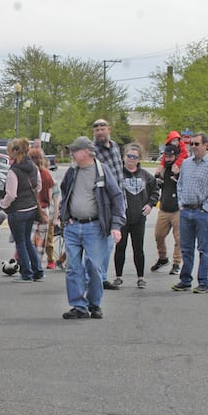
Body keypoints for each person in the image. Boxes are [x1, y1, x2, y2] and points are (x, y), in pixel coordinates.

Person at [59, 136, 125, 319]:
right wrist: (64, 216)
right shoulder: (72, 172)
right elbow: (65, 194)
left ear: (87, 152)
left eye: (75, 150)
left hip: (95, 227)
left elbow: (117, 197)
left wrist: (116, 225)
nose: (72, 153)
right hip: (73, 227)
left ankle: (94, 304)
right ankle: (78, 306)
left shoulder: (102, 171)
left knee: (94, 267)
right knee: (73, 268)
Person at [172, 132, 208, 293]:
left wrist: (206, 207)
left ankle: (203, 282)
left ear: (205, 145)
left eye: (196, 144)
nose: (193, 147)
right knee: (186, 248)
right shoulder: (186, 163)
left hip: (202, 212)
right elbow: (179, 185)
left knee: (203, 248)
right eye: (191, 144)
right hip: (186, 211)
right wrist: (180, 204)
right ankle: (185, 280)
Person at [112, 144, 159, 289]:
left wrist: (150, 204)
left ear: (139, 159)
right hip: (122, 218)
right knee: (120, 247)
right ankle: (118, 276)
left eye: (135, 157)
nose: (131, 159)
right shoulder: (118, 174)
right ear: (124, 156)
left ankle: (141, 277)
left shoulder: (145, 175)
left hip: (139, 218)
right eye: (129, 156)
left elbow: (155, 191)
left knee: (138, 248)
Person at [0, 138, 43, 282]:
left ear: (14, 152)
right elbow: (39, 186)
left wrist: (3, 204)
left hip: (17, 211)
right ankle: (37, 270)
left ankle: (26, 273)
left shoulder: (14, 171)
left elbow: (11, 194)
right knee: (27, 241)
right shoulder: (33, 166)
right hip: (31, 208)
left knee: (21, 242)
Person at [92, 118, 123, 291]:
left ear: (108, 129)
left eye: (102, 128)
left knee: (110, 242)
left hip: (118, 200)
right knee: (104, 242)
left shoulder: (116, 147)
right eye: (96, 130)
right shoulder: (93, 151)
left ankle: (101, 276)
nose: (99, 132)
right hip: (103, 202)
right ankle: (99, 277)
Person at [151, 144, 182, 275]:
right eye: (166, 156)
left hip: (177, 209)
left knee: (178, 239)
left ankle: (176, 263)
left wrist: (178, 174)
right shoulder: (163, 169)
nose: (168, 159)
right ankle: (163, 258)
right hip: (164, 208)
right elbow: (155, 185)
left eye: (170, 156)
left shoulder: (180, 169)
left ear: (176, 156)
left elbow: (185, 184)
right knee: (158, 235)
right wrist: (157, 175)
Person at [28, 147, 54, 266]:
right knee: (41, 241)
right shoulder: (46, 174)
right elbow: (50, 193)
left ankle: (31, 263)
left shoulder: (30, 174)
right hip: (45, 209)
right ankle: (38, 264)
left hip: (32, 209)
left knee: (30, 239)